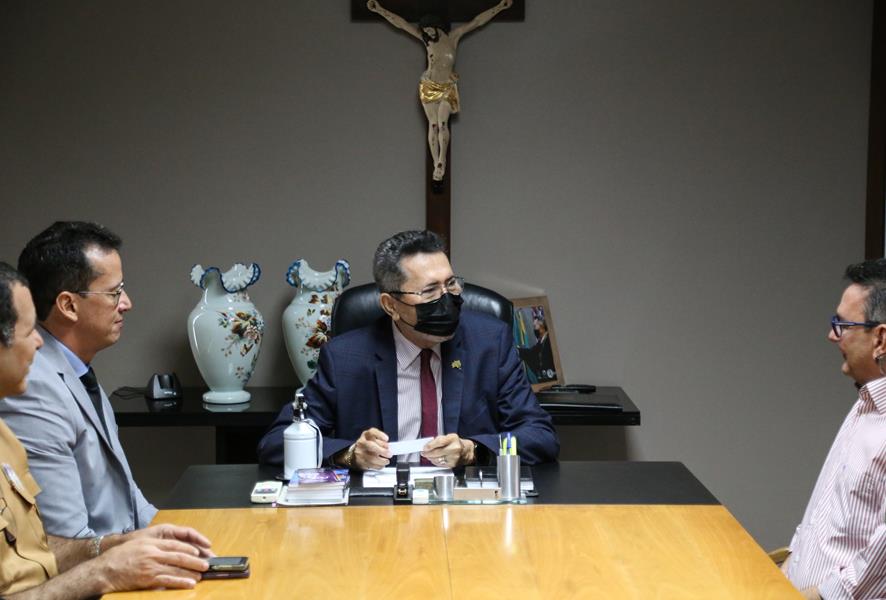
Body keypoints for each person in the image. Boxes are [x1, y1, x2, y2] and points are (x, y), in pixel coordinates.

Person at [258, 230, 559, 470]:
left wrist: (473, 450)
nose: (447, 300)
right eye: (429, 291)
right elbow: (276, 443)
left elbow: (540, 436)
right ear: (390, 305)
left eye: (451, 285)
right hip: (380, 506)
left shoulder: (489, 343)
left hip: (463, 503)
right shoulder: (345, 358)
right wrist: (348, 455)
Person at [0, 261, 212, 597]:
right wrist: (103, 572)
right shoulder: (34, 395)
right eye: (28, 332)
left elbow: (37, 550)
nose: (40, 343)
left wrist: (118, 545)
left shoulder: (4, 437)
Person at [0, 222, 156, 538]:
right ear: (69, 305)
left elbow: (130, 501)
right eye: (114, 292)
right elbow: (63, 539)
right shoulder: (32, 386)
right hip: (95, 565)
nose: (126, 303)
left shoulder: (79, 370)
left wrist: (182, 536)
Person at [782, 258, 886, 599]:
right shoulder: (865, 402)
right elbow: (825, 515)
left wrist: (819, 596)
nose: (831, 335)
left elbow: (881, 558)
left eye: (843, 324)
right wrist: (787, 570)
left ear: (880, 339)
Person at [366, 0, 512, 182]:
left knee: (443, 123)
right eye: (425, 31)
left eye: (429, 30)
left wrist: (500, 7)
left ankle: (442, 159)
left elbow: (477, 22)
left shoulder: (453, 37)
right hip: (429, 84)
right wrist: (380, 10)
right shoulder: (426, 41)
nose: (427, 33)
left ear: (437, 27)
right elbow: (402, 24)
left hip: (447, 86)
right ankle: (436, 163)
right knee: (433, 125)